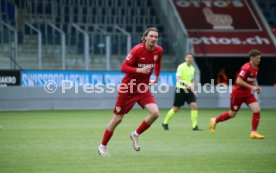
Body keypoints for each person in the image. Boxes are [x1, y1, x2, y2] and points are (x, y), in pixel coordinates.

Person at [98, 27, 163, 157]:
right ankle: (102, 146)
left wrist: (156, 76)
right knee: (117, 119)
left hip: (143, 88)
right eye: (151, 36)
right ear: (145, 37)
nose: (154, 39)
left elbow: (158, 63)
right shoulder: (137, 50)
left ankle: (135, 134)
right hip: (128, 88)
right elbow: (123, 67)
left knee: (155, 113)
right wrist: (140, 70)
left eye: (156, 37)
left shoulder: (159, 50)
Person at [210, 49, 264, 139]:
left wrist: (256, 87)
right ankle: (215, 120)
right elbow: (239, 81)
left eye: (260, 58)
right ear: (252, 58)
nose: (259, 60)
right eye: (257, 58)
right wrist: (252, 87)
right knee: (232, 114)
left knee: (257, 110)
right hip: (238, 94)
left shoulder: (256, 68)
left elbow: (253, 79)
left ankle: (253, 133)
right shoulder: (246, 68)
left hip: (248, 94)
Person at [162, 53, 201, 131]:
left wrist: (194, 90)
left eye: (191, 57)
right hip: (180, 89)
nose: (189, 59)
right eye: (188, 57)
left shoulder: (193, 68)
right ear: (185, 58)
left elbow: (192, 80)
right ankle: (165, 122)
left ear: (192, 59)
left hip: (189, 90)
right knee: (176, 109)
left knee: (194, 106)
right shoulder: (181, 66)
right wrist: (186, 84)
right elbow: (178, 78)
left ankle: (195, 126)